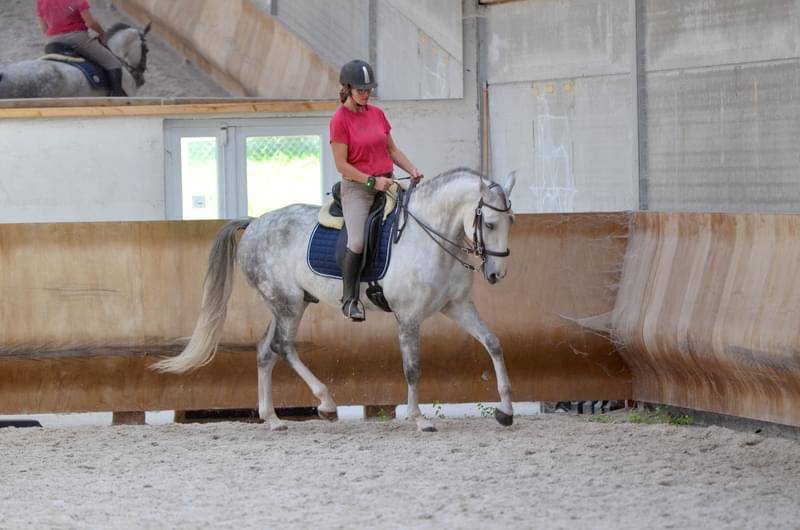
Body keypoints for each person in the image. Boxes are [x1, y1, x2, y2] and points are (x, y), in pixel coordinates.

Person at [330, 59, 423, 322]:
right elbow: (341, 165)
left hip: (388, 182)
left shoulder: (377, 114)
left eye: (369, 89)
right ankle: (349, 299)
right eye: (361, 89)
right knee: (357, 241)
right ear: (347, 88)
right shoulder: (339, 120)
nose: (366, 93)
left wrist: (412, 168)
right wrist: (371, 181)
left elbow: (391, 150)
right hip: (358, 189)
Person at [36, 0, 127, 96]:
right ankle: (117, 95)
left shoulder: (41, 1)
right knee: (113, 63)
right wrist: (102, 33)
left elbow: (43, 28)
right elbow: (91, 23)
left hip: (53, 41)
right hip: (77, 38)